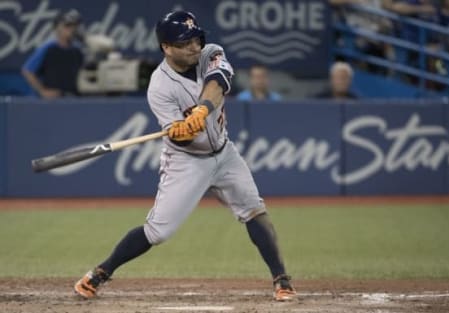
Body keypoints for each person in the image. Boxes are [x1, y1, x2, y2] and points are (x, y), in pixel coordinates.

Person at [73, 11, 296, 302]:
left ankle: (281, 279)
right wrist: (183, 129)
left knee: (254, 210)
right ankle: (99, 274)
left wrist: (201, 110)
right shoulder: (159, 87)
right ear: (166, 47)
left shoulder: (211, 53)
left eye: (196, 39)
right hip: (186, 161)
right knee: (158, 232)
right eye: (185, 42)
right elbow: (182, 138)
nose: (194, 46)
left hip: (225, 153)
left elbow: (219, 82)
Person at [21, 9, 84, 99]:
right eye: (67, 25)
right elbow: (27, 71)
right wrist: (42, 91)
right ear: (57, 27)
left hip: (72, 99)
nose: (72, 29)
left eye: (75, 26)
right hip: (51, 103)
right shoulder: (48, 48)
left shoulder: (78, 50)